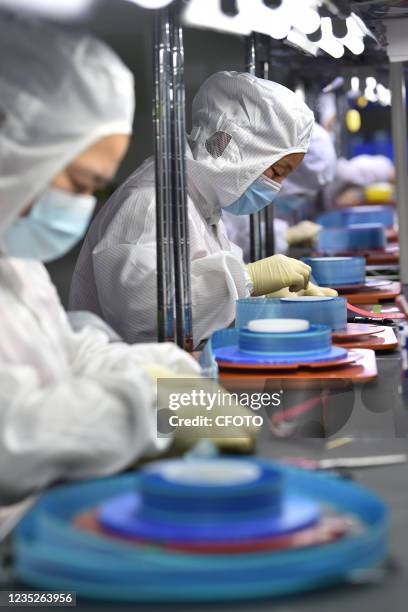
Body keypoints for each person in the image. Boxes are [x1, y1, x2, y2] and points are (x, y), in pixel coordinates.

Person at [0, 14, 254, 503]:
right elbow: (13, 439)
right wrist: (150, 404)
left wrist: (157, 371)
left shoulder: (15, 257)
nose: (81, 204)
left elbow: (63, 345)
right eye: (78, 184)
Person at [70, 71, 336, 347]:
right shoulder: (152, 203)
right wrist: (248, 279)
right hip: (143, 382)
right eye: (277, 171)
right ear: (241, 150)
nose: (277, 186)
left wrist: (262, 300)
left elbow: (199, 299)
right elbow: (146, 313)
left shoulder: (200, 202)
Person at [223, 123, 337, 260]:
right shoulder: (227, 192)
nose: (277, 183)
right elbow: (230, 242)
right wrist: (286, 236)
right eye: (278, 172)